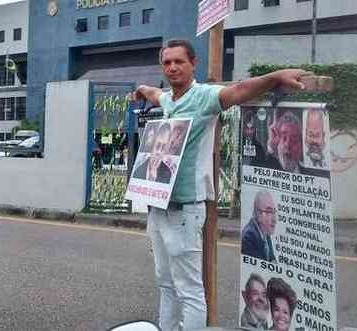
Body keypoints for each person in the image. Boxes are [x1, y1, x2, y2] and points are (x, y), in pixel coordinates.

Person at [130, 38, 311, 331]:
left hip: (184, 210)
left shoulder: (204, 96)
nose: (173, 67)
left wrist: (276, 77)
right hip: (158, 206)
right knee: (165, 283)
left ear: (193, 64)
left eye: (179, 61)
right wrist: (140, 90)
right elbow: (153, 93)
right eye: (167, 62)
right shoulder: (169, 100)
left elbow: (239, 90)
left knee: (189, 290)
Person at [241, 190, 277, 262]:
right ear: (258, 214)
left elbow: (272, 259)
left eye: (274, 212)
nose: (274, 220)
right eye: (269, 211)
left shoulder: (264, 231)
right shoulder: (248, 237)